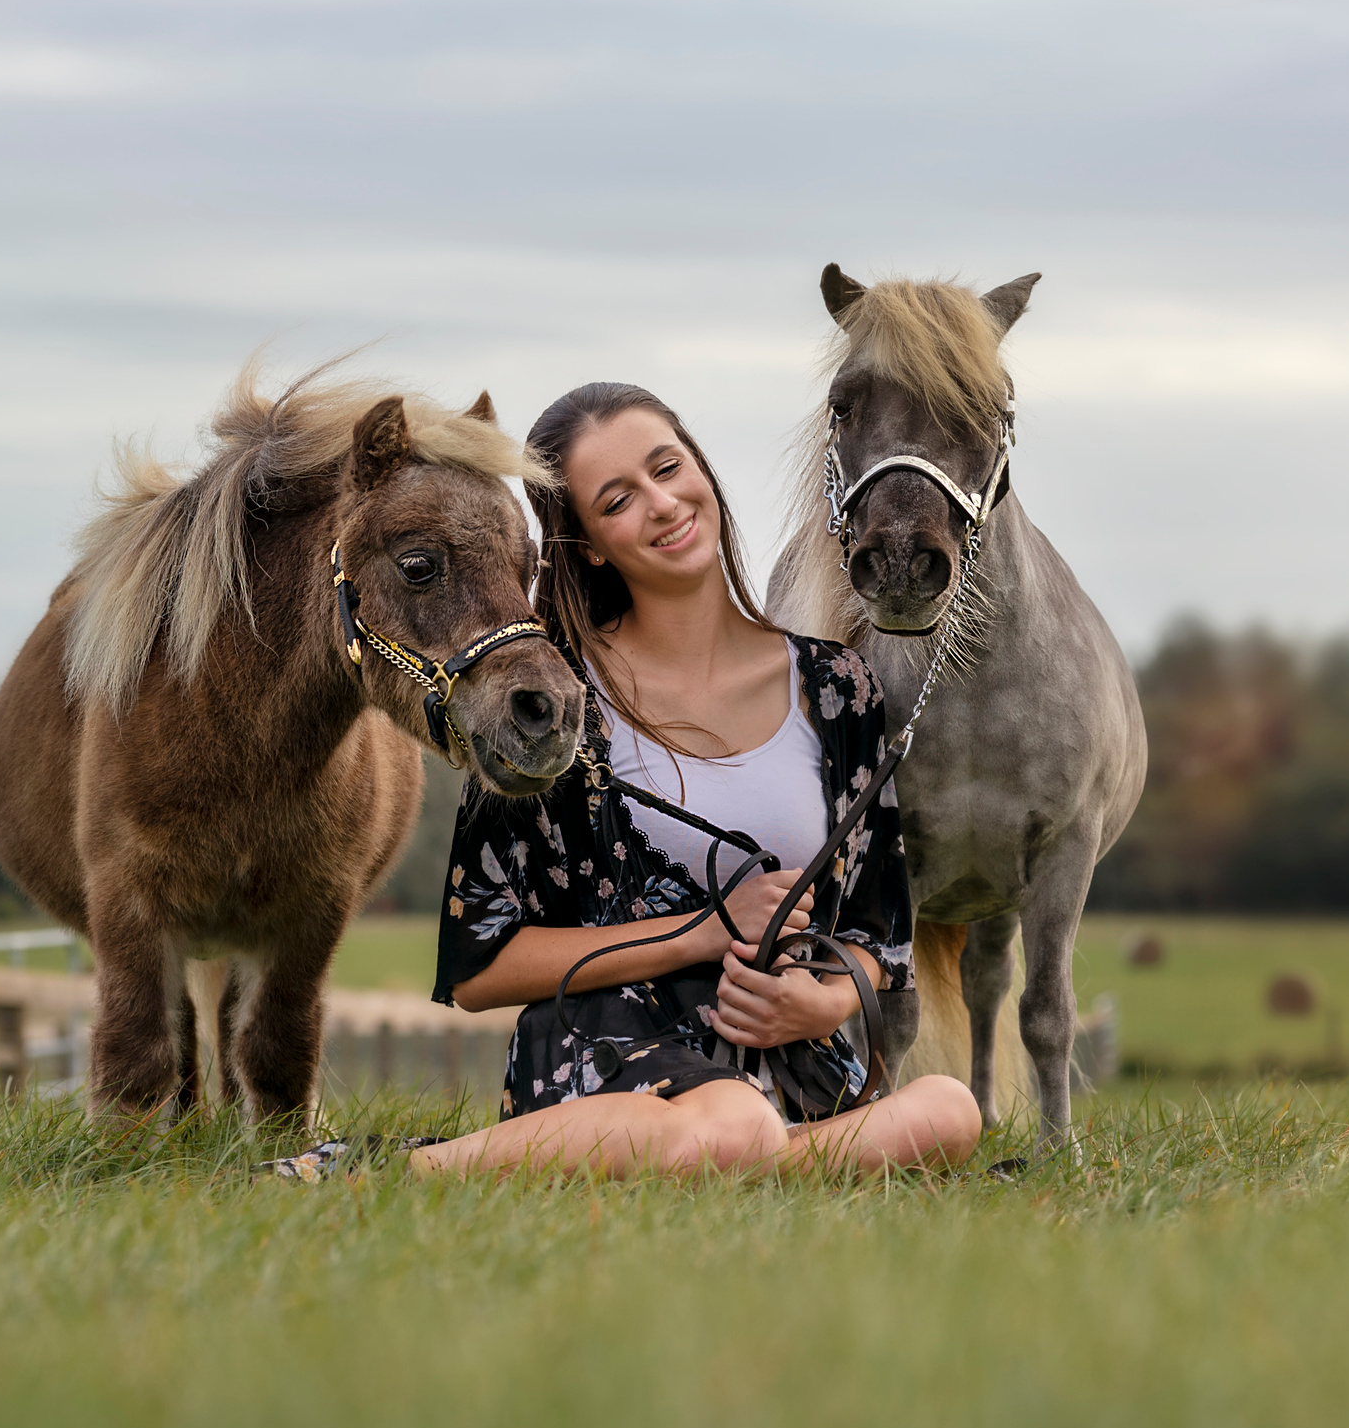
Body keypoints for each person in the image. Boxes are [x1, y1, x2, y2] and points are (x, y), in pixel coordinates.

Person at [396, 381, 984, 1178]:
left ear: (700, 469)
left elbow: (880, 935)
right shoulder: (552, 701)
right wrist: (704, 931)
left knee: (949, 1109)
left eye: (667, 468)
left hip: (790, 1062)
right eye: (618, 500)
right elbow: (477, 968)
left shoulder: (839, 686)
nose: (663, 503)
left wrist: (830, 1000)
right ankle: (411, 1170)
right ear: (592, 544)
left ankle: (727, 1159)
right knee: (738, 1123)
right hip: (606, 1053)